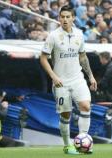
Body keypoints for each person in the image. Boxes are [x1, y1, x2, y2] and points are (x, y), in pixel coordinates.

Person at [40, 5, 97, 154]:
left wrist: (90, 76)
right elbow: (43, 58)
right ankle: (67, 145)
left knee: (85, 106)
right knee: (66, 114)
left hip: (78, 78)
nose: (65, 19)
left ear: (73, 18)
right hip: (61, 82)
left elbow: (83, 56)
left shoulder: (79, 34)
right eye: (62, 17)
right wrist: (53, 76)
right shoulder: (53, 36)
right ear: (59, 18)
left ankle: (82, 143)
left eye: (68, 17)